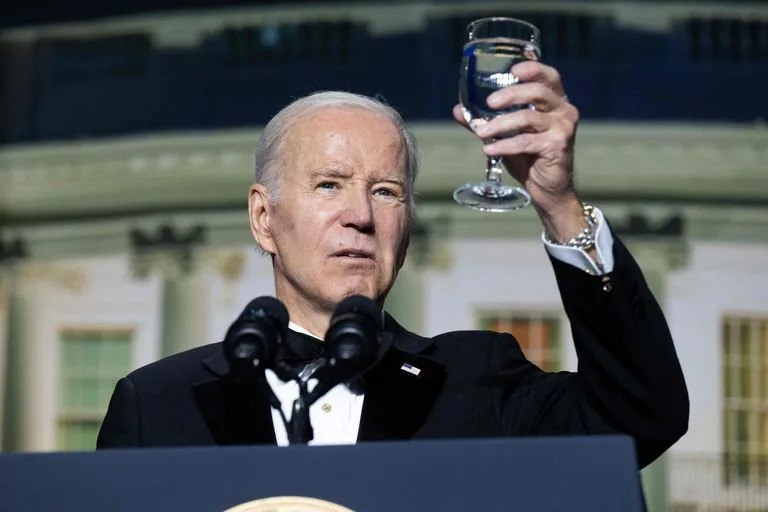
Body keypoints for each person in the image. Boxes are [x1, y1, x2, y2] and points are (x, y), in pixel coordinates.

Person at [97, 61, 689, 469]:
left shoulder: (479, 384)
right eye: (329, 185)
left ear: (407, 225)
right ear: (263, 218)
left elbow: (642, 417)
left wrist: (558, 205)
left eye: (386, 191)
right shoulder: (157, 406)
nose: (361, 215)